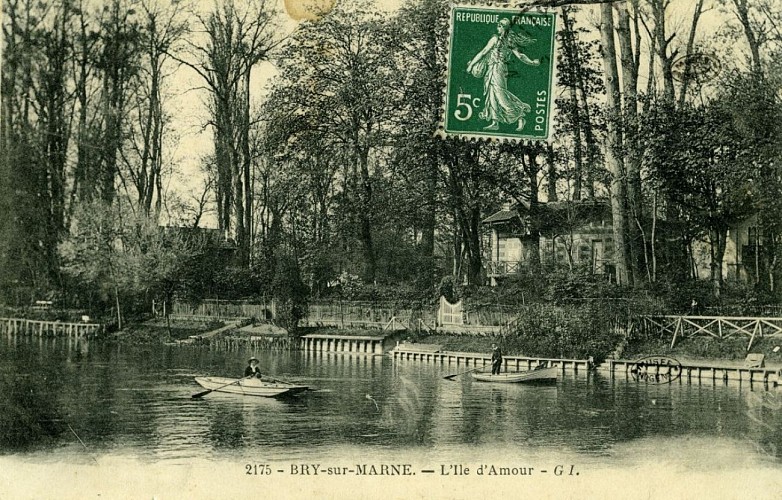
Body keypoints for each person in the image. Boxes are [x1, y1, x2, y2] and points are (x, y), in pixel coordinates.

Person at [466, 18, 540, 131]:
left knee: (500, 95)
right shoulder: (497, 39)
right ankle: (495, 122)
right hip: (491, 68)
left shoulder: (505, 40)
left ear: (503, 27)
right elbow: (484, 52)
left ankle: (520, 116)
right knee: (492, 95)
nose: (497, 28)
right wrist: (471, 64)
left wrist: (532, 62)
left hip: (499, 69)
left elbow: (519, 55)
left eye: (499, 26)